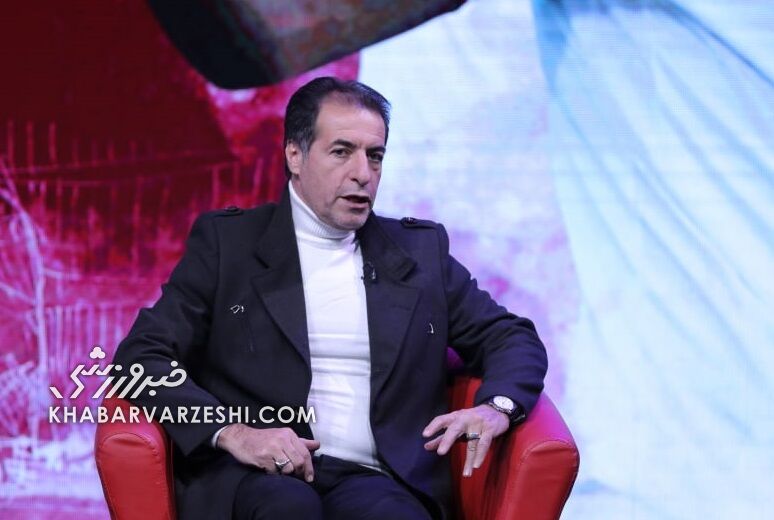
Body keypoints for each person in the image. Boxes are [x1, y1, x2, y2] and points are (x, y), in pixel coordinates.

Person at [113, 76, 547, 520]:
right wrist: (232, 432)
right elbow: (141, 357)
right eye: (342, 152)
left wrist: (498, 408)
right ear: (294, 155)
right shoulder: (230, 245)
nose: (363, 173)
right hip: (254, 475)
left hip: (374, 479)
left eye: (375, 155)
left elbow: (510, 336)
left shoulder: (418, 254)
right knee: (287, 509)